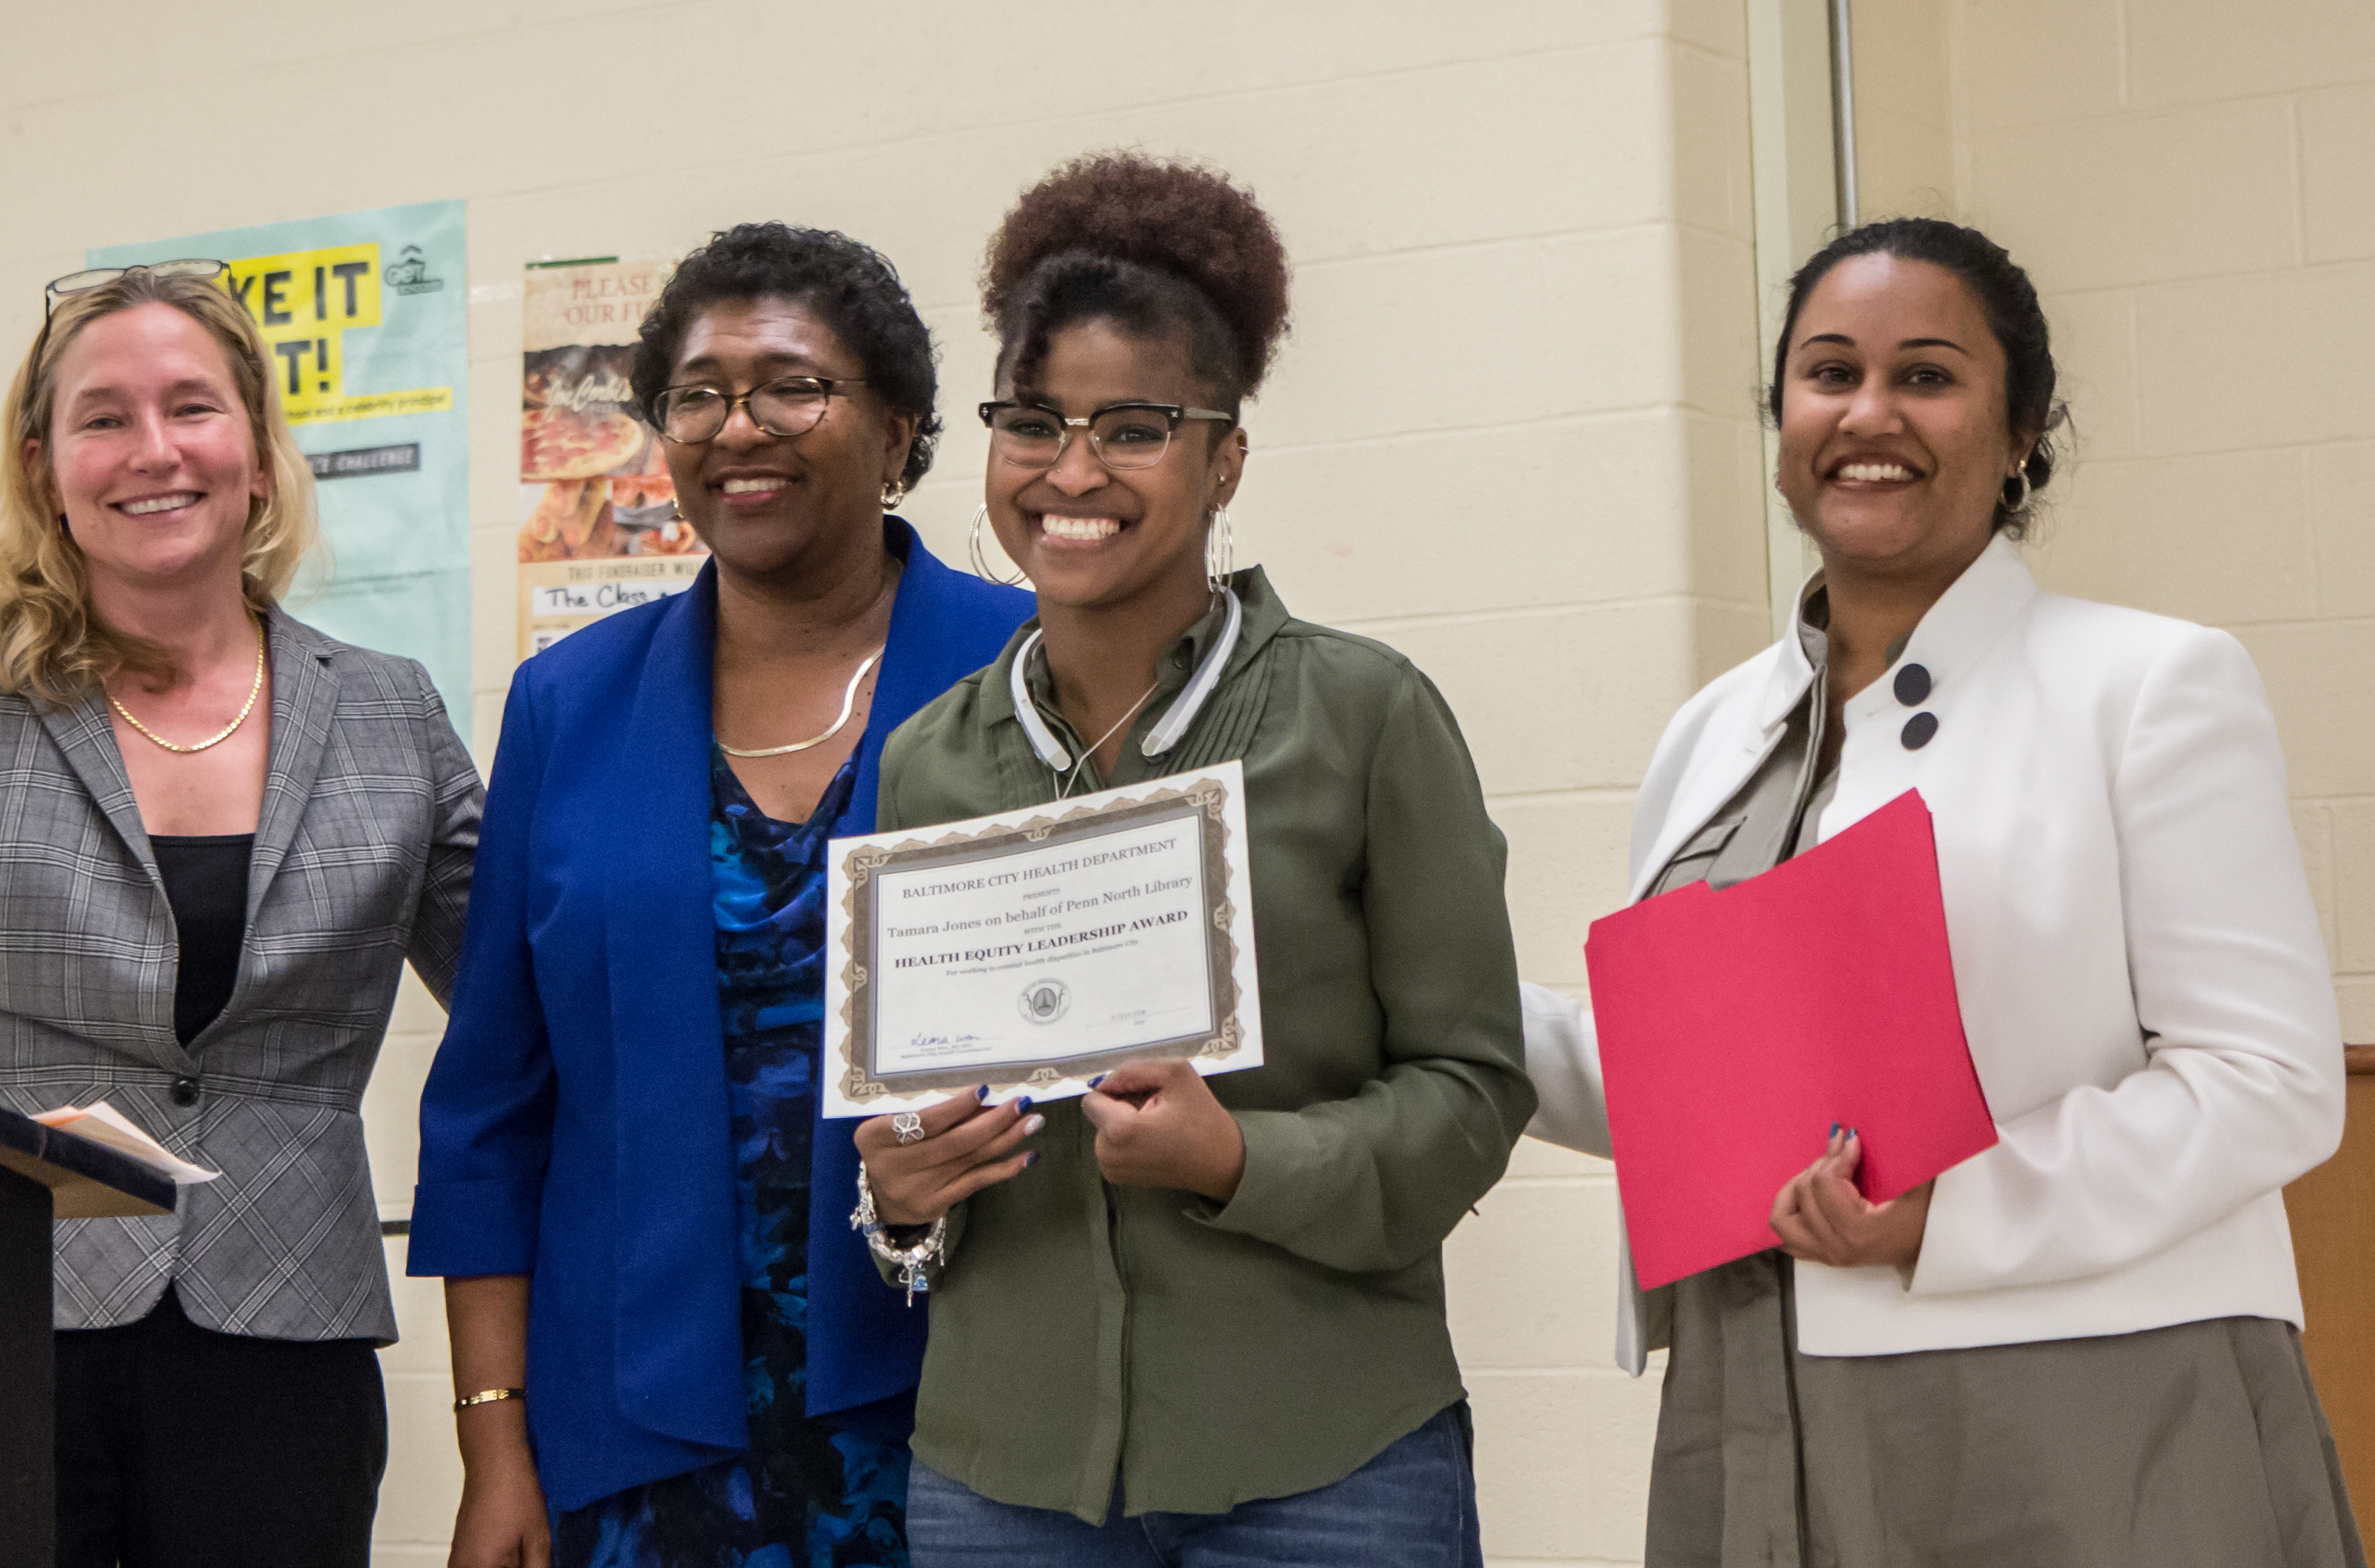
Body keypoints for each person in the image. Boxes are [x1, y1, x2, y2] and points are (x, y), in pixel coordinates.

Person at [1520, 218, 2361, 1568]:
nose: (1867, 412)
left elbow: (2268, 1081)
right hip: (1751, 1394)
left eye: (1926, 375)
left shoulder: (2146, 686)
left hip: (2080, 1394)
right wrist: (1417, 976)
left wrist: (1944, 1216)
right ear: (1781, 417)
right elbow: (1698, 1100)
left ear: (2020, 427)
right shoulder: (1711, 735)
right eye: (1827, 371)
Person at [856, 154, 1530, 1567]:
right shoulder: (930, 762)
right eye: (1033, 422)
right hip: (1004, 1476)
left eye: (1136, 428)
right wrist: (900, 1202)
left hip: (1326, 1464)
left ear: (1225, 456)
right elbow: (914, 1118)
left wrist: (1240, 1159)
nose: (1074, 471)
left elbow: (1474, 1092)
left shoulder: (1365, 716)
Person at [0, 261, 484, 1568]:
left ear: (261, 455)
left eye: (192, 407)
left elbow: (521, 1009)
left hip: (287, 1330)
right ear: (43, 460)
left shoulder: (392, 711)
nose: (151, 451)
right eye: (104, 416)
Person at [411, 223, 1034, 1568]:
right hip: (640, 1426)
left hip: (966, 1403)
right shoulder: (567, 706)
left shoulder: (1024, 666)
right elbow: (490, 1113)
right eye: (696, 394)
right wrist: (492, 1446)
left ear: (897, 426)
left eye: (793, 385)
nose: (738, 426)